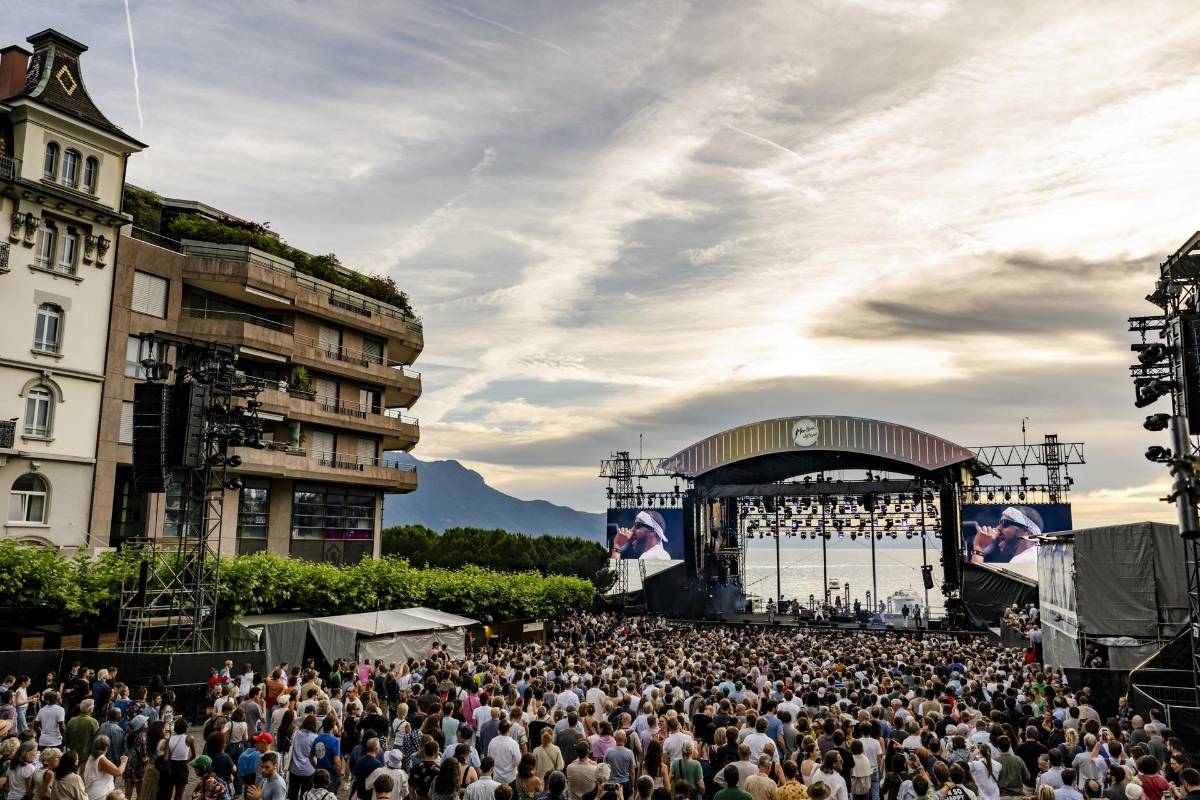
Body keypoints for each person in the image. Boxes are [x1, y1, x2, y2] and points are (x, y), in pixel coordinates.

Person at [970, 507, 1042, 564]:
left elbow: (977, 582)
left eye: (1005, 523)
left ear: (1028, 533)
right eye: (999, 522)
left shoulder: (1026, 560)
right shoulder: (1035, 557)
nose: (998, 528)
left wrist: (979, 547)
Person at [84, 735, 128, 800]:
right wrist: (124, 761)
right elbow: (118, 772)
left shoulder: (91, 757)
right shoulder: (101, 759)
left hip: (93, 794)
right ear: (106, 747)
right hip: (101, 795)